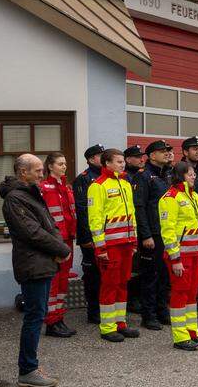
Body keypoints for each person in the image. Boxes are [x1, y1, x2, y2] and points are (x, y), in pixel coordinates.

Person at [1, 154, 72, 387]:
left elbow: (48, 225)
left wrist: (58, 246)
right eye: (38, 171)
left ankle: (30, 365)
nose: (42, 174)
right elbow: (32, 232)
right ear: (23, 173)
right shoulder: (15, 199)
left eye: (42, 170)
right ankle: (27, 370)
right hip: (33, 264)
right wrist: (61, 248)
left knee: (37, 314)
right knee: (34, 317)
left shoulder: (29, 194)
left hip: (42, 262)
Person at [86, 149, 139, 341]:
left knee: (123, 284)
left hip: (126, 244)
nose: (122, 164)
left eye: (123, 161)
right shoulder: (97, 186)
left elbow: (132, 215)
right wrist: (100, 247)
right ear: (106, 163)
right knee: (109, 285)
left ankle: (120, 323)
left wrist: (134, 241)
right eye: (118, 162)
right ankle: (107, 327)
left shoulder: (125, 183)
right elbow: (95, 219)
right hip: (110, 246)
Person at [159, 161, 198, 350]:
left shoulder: (194, 196)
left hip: (195, 255)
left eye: (194, 173)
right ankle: (180, 337)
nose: (194, 176)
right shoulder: (169, 198)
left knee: (192, 293)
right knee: (180, 294)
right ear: (180, 176)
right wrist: (175, 259)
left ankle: (192, 332)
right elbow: (168, 231)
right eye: (190, 174)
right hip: (180, 257)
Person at [132, 141, 172, 330]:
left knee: (164, 275)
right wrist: (146, 235)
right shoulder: (144, 176)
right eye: (161, 151)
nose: (166, 154)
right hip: (152, 234)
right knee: (150, 276)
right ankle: (148, 315)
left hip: (166, 232)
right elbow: (139, 207)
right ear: (151, 155)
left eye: (167, 151)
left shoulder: (167, 175)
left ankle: (162, 310)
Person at [38, 152, 76, 338]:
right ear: (50, 166)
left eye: (65, 163)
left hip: (67, 240)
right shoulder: (43, 188)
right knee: (54, 283)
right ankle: (51, 322)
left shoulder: (67, 188)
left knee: (63, 282)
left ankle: (59, 319)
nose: (64, 166)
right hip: (54, 242)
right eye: (60, 164)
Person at [71, 144, 105, 324]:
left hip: (108, 236)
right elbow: (82, 210)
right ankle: (94, 311)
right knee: (93, 275)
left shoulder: (108, 177)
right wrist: (85, 238)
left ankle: (106, 308)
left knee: (107, 275)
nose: (104, 158)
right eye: (100, 156)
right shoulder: (84, 179)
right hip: (91, 238)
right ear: (91, 159)